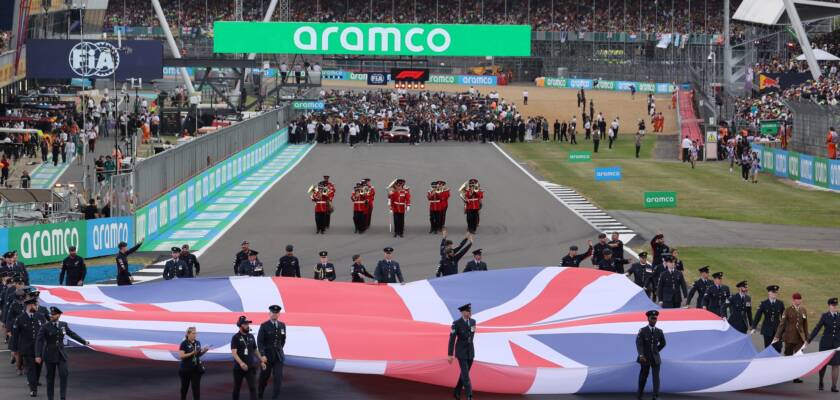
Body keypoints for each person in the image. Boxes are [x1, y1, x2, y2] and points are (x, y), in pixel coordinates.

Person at [35, 306, 89, 400]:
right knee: (50, 378)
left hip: (61, 354)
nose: (51, 316)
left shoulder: (63, 325)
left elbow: (72, 334)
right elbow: (39, 341)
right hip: (49, 355)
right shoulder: (45, 326)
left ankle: (63, 397)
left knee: (64, 374)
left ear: (59, 315)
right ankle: (50, 397)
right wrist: (38, 355)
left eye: (54, 314)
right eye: (51, 314)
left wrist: (83, 341)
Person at [11, 297, 47, 397]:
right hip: (27, 348)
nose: (37, 307)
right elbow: (15, 335)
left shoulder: (40, 317)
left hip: (39, 348)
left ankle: (34, 381)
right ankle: (33, 389)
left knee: (38, 367)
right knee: (31, 368)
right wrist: (14, 349)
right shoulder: (20, 318)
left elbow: (46, 332)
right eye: (35, 305)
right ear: (29, 306)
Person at [773, 292, 809, 382]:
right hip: (789, 337)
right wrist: (777, 336)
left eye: (800, 299)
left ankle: (796, 376)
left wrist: (807, 338)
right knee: (788, 356)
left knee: (798, 357)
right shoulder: (787, 310)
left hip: (800, 338)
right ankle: (785, 374)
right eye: (797, 299)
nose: (798, 301)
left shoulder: (803, 310)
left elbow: (805, 325)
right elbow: (782, 324)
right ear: (793, 300)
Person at [231, 316, 265, 400]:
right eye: (245, 324)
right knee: (237, 388)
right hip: (239, 368)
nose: (247, 325)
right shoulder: (235, 337)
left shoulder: (251, 336)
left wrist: (261, 360)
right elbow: (234, 353)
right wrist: (241, 363)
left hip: (250, 367)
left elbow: (255, 350)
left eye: (248, 324)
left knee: (253, 388)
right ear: (240, 325)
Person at [809, 298, 839, 392]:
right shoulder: (825, 316)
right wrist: (809, 340)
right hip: (825, 344)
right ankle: (821, 381)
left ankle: (834, 386)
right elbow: (817, 328)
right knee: (823, 364)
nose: (834, 307)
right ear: (829, 306)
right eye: (833, 305)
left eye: (835, 305)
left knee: (836, 365)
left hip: (837, 344)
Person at [257, 305, 286, 400]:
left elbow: (283, 340)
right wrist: (263, 355)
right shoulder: (264, 325)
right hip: (267, 357)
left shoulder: (282, 325)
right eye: (273, 312)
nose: (275, 314)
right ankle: (260, 394)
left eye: (277, 313)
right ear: (269, 313)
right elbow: (260, 342)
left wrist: (279, 350)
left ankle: (275, 397)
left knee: (278, 378)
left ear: (279, 314)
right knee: (264, 377)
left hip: (278, 356)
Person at [448, 303, 476, 400]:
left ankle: (457, 391)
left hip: (470, 352)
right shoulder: (456, 323)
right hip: (461, 352)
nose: (470, 313)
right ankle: (469, 396)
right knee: (465, 375)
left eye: (470, 311)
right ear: (463, 312)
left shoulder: (473, 322)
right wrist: (450, 354)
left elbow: (471, 336)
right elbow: (452, 339)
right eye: (468, 311)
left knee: (464, 373)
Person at [636, 310, 666, 400]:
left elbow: (663, 343)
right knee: (643, 376)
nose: (654, 320)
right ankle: (640, 394)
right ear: (648, 319)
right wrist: (641, 355)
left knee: (656, 377)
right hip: (645, 358)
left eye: (655, 319)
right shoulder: (643, 331)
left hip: (655, 358)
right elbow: (639, 343)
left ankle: (655, 396)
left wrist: (656, 351)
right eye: (652, 318)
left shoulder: (659, 331)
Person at [178, 327, 209, 400]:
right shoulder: (184, 343)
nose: (195, 335)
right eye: (193, 333)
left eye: (196, 333)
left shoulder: (197, 343)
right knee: (184, 389)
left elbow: (198, 355)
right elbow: (181, 356)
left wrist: (204, 351)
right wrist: (192, 353)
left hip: (196, 369)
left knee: (196, 389)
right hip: (185, 369)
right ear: (188, 334)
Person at [753, 285, 785, 352]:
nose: (775, 294)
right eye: (773, 292)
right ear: (769, 293)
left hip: (777, 330)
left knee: (778, 349)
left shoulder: (780, 304)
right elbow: (758, 316)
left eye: (776, 292)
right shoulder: (764, 303)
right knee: (768, 349)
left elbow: (784, 317)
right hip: (767, 330)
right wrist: (754, 327)